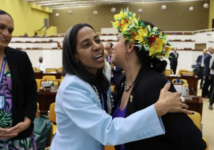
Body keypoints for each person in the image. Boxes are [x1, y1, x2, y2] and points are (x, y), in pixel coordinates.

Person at [50, 23, 192, 150]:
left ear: (130, 47)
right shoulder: (72, 87)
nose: (97, 46)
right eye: (86, 45)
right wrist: (157, 110)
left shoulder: (150, 85)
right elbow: (108, 130)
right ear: (74, 56)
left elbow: (189, 138)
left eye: (97, 40)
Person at [111, 9, 206, 150]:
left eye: (117, 40)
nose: (112, 46)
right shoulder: (124, 81)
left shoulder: (154, 86)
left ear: (130, 46)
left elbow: (194, 142)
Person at [0, 9, 37, 149]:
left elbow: (31, 93)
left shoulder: (20, 58)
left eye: (10, 30)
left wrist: (27, 121)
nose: (6, 34)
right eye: (1, 27)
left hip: (19, 139)